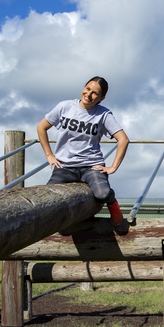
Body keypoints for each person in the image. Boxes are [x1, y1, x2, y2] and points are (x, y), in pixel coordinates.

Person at [37, 76, 130, 226]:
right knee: (49, 198)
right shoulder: (64, 107)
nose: (89, 95)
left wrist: (113, 167)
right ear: (83, 88)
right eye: (87, 89)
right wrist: (49, 155)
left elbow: (123, 139)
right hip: (64, 166)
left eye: (95, 93)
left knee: (102, 194)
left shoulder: (104, 114)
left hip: (91, 166)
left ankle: (112, 201)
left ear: (102, 97)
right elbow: (41, 127)